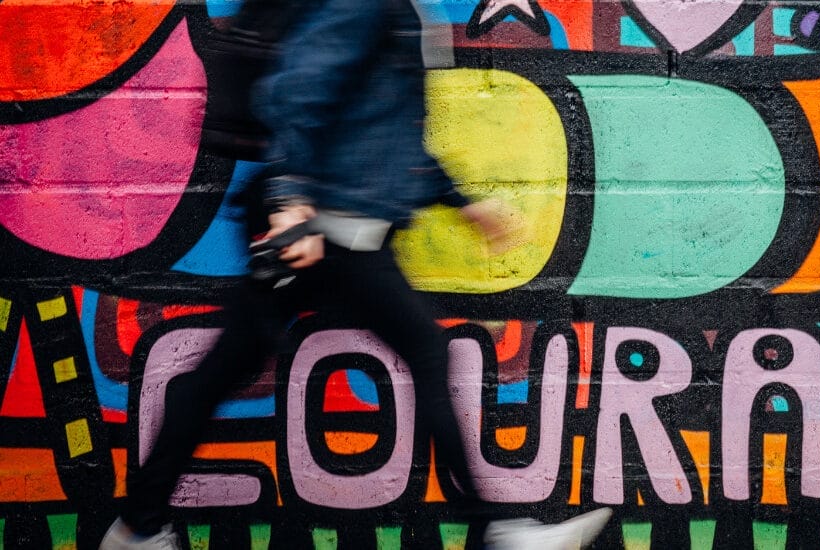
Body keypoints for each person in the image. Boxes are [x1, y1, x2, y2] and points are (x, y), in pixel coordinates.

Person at [99, 0, 612, 548]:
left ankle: (138, 525)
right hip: (324, 232)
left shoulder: (401, 8)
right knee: (413, 354)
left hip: (343, 230)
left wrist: (462, 203)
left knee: (224, 370)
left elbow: (388, 134)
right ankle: (500, 532)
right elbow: (297, 88)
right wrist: (290, 195)